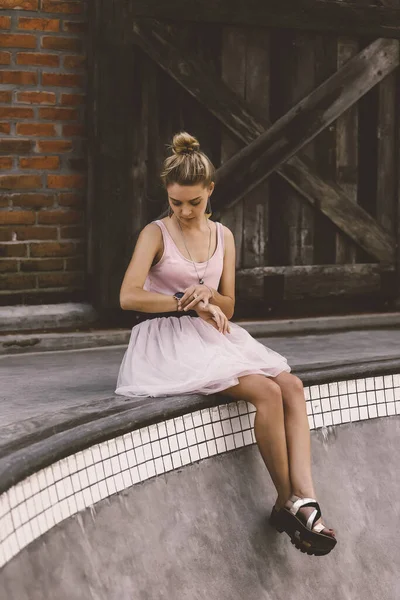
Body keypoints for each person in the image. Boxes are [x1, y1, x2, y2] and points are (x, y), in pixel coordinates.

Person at [115, 132, 337, 556]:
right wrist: (184, 301)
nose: (183, 211)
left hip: (211, 331)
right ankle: (287, 500)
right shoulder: (155, 233)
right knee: (267, 392)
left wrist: (207, 297)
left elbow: (229, 304)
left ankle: (304, 500)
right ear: (168, 193)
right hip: (165, 338)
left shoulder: (224, 236)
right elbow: (127, 296)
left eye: (193, 202)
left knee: (291, 384)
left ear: (209, 191)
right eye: (176, 201)